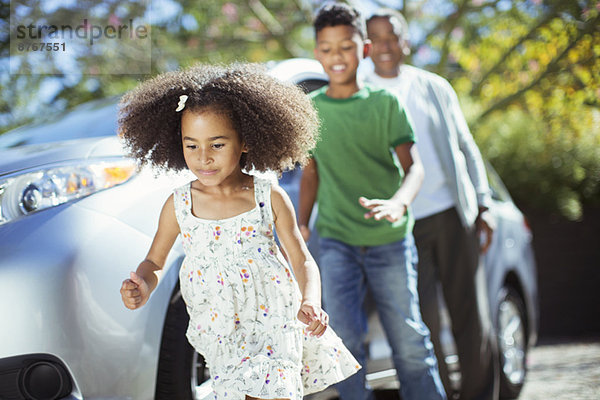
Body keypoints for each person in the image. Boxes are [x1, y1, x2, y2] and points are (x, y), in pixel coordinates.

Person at [118, 63, 360, 400]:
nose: (203, 157)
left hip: (276, 318)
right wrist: (142, 284)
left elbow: (301, 259)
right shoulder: (179, 204)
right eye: (192, 146)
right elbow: (154, 261)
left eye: (217, 145)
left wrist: (310, 301)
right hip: (221, 328)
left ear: (245, 141)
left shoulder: (268, 195)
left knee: (276, 393)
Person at [299, 4, 446, 400]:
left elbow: (414, 168)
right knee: (344, 344)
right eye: (326, 49)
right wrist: (302, 223)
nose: (336, 57)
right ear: (317, 52)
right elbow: (311, 174)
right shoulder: (311, 112)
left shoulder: (385, 104)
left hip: (390, 240)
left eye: (345, 47)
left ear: (362, 49)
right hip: (335, 242)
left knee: (410, 341)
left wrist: (398, 202)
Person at [363, 9, 500, 400]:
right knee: (420, 324)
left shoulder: (435, 86)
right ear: (367, 46)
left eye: (393, 37)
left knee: (470, 317)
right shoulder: (362, 92)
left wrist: (484, 204)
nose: (386, 46)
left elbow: (466, 148)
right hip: (401, 225)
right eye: (377, 39)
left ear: (406, 42)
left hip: (452, 216)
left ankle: (478, 395)